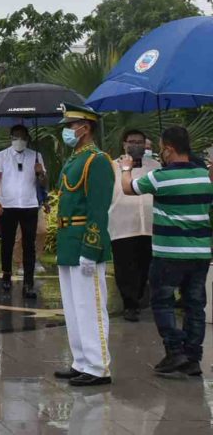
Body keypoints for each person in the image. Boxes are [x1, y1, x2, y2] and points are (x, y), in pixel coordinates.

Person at [117, 126, 213, 378]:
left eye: (161, 147)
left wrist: (126, 168)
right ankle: (193, 357)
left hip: (169, 253)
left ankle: (174, 351)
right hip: (200, 254)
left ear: (169, 149)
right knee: (195, 306)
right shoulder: (204, 176)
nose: (159, 152)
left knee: (162, 302)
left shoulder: (160, 177)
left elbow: (129, 188)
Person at [53, 103, 114, 387]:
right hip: (68, 243)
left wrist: (91, 248)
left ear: (85, 127)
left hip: (84, 244)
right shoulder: (74, 159)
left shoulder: (97, 160)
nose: (67, 130)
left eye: (71, 125)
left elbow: (98, 209)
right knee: (74, 307)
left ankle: (99, 366)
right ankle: (81, 361)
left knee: (90, 305)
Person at [108, 129, 159, 322]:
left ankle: (140, 298)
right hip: (122, 225)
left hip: (149, 225)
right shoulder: (113, 166)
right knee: (124, 267)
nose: (136, 145)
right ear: (124, 144)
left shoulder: (155, 166)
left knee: (145, 265)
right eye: (132, 142)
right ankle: (129, 304)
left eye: (140, 142)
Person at [0, 124, 47, 298]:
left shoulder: (36, 156)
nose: (19, 140)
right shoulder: (1, 156)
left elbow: (44, 182)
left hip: (29, 204)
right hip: (8, 204)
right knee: (7, 242)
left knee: (28, 245)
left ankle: (28, 283)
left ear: (27, 139)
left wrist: (40, 173)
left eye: (22, 137)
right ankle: (6, 273)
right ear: (11, 138)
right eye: (15, 137)